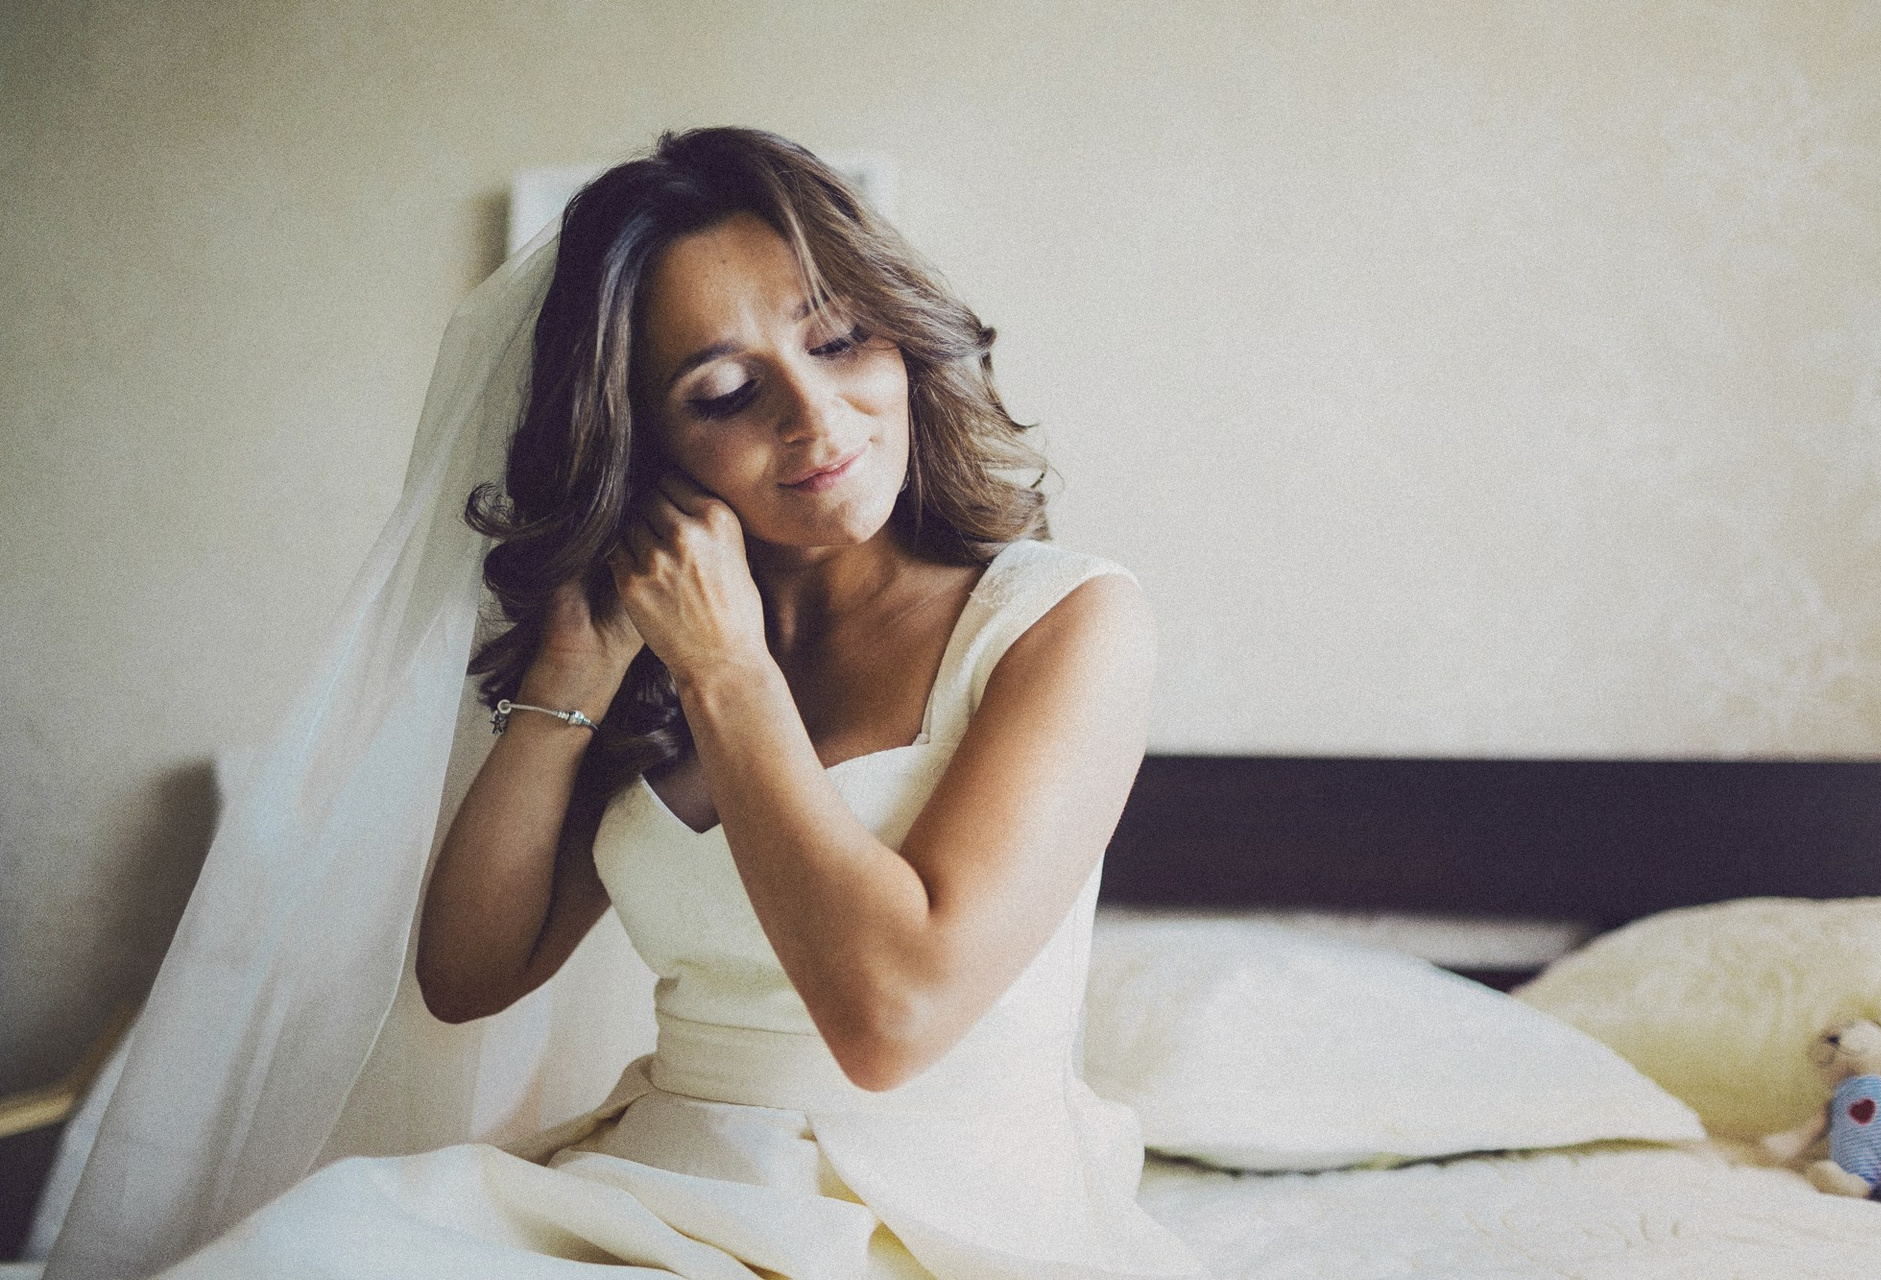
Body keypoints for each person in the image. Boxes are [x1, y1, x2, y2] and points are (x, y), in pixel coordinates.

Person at [57, 127, 1209, 1279]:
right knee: (303, 1250)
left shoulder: (1060, 623)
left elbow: (890, 1017)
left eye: (839, 340)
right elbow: (469, 973)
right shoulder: (659, 647)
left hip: (933, 1219)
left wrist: (730, 673)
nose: (816, 418)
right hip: (663, 1183)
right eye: (726, 391)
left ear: (901, 332)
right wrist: (573, 672)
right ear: (646, 442)